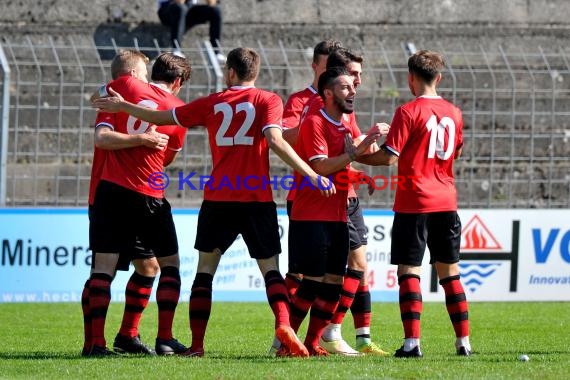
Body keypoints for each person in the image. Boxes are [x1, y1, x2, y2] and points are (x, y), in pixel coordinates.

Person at [92, 47, 336, 358]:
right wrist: (311, 174)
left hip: (218, 196)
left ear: (230, 72)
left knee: (205, 271)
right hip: (255, 195)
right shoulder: (269, 100)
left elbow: (160, 116)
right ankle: (284, 324)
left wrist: (124, 106)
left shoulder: (213, 102)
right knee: (271, 270)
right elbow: (275, 141)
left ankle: (196, 345)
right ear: (255, 73)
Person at [356, 50, 471, 357]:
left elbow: (388, 157)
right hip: (447, 202)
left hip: (415, 202)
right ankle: (463, 343)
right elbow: (456, 153)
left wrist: (355, 156)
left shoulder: (407, 112)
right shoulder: (455, 112)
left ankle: (412, 344)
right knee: (451, 274)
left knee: (409, 271)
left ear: (411, 78)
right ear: (439, 77)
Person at [84, 51, 192, 356]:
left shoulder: (123, 86)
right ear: (178, 82)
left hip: (109, 192)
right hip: (147, 194)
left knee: (126, 267)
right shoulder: (176, 109)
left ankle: (111, 340)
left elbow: (97, 110)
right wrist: (142, 141)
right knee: (170, 264)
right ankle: (165, 338)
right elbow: (168, 157)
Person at [286, 67, 380, 356]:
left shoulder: (343, 124)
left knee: (333, 283)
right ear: (328, 93)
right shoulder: (315, 121)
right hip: (311, 214)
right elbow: (320, 166)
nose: (353, 91)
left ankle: (312, 342)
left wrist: (356, 175)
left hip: (337, 212)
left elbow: (337, 169)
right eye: (345, 87)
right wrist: (357, 150)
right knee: (311, 281)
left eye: (353, 86)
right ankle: (285, 341)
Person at [157, 0, 224, 61]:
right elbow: (179, 2)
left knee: (216, 10)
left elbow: (212, 3)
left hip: (189, 9)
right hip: (168, 9)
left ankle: (216, 51)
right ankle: (176, 49)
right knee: (181, 8)